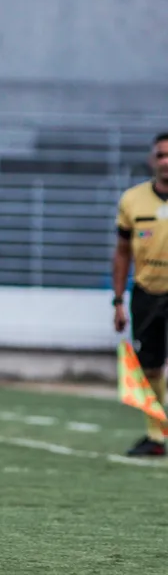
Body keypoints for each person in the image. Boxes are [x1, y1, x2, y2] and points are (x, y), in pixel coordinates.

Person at [114, 132, 168, 457]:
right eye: (160, 155)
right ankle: (156, 436)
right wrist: (118, 300)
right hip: (147, 293)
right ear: (152, 161)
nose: (166, 161)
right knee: (149, 368)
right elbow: (121, 252)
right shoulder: (132, 200)